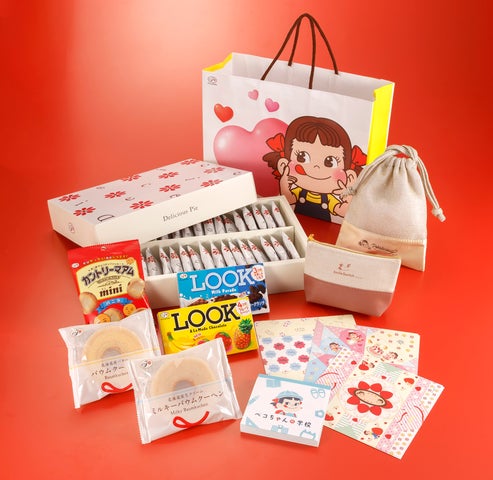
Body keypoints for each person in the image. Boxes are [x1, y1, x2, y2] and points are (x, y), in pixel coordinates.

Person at [263, 116, 365, 221]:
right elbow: (288, 200)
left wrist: (348, 192)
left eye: (330, 162)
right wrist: (284, 183)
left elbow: (342, 211)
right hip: (295, 220)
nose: (316, 167)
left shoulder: (329, 199)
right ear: (284, 165)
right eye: (302, 157)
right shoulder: (298, 192)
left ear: (349, 176)